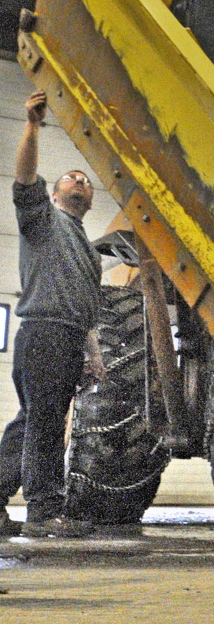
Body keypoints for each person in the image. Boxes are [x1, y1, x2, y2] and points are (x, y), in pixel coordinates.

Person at [0, 89, 105, 537]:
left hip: (66, 337)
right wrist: (32, 125)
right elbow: (24, 181)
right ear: (57, 194)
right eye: (71, 177)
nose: (79, 180)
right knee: (44, 425)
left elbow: (86, 308)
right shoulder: (44, 220)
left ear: (91, 200)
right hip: (42, 332)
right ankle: (44, 512)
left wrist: (93, 354)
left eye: (86, 179)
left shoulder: (90, 250)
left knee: (32, 421)